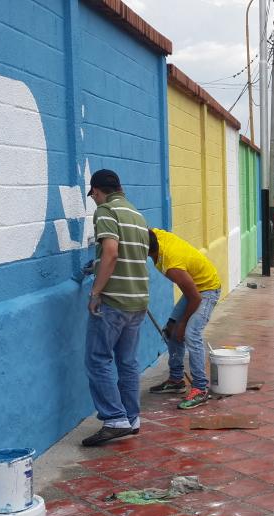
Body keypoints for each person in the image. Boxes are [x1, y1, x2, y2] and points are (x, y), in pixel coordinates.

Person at [81, 169, 150, 447]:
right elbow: (129, 255)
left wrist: (95, 292)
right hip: (138, 300)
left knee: (97, 359)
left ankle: (114, 419)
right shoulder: (136, 214)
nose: (94, 200)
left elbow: (110, 252)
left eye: (93, 196)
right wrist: (95, 266)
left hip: (113, 301)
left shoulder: (106, 211)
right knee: (127, 362)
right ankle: (132, 418)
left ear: (98, 191)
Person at [146, 228, 222, 410]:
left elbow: (195, 297)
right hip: (195, 289)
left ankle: (200, 388)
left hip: (207, 290)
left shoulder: (172, 265)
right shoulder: (155, 235)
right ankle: (176, 380)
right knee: (170, 331)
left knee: (191, 334)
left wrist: (182, 323)